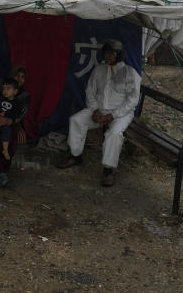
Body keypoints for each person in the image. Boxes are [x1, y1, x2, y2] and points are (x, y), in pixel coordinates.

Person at [57, 39, 141, 187]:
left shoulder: (130, 73)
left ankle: (108, 170)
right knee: (76, 120)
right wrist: (95, 110)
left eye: (112, 53)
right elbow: (90, 91)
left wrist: (113, 115)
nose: (108, 56)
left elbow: (132, 100)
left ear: (120, 55)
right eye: (106, 53)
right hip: (99, 110)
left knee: (114, 133)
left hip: (121, 113)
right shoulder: (99, 69)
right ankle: (75, 155)